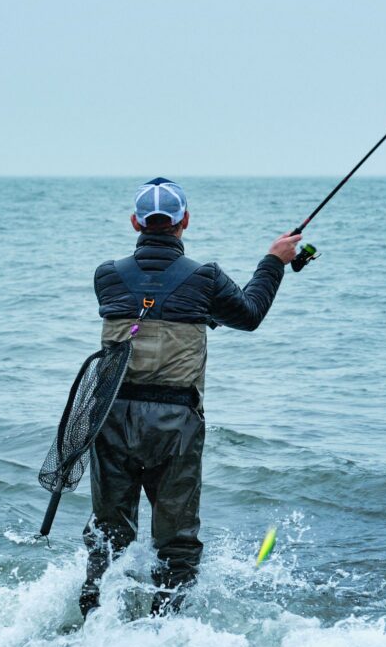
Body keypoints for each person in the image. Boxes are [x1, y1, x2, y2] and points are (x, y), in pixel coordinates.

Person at [80, 177, 300, 617]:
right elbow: (249, 315)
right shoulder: (205, 278)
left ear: (135, 223)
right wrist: (274, 261)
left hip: (111, 417)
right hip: (175, 424)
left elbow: (155, 301)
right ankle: (166, 633)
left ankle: (94, 623)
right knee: (177, 542)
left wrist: (198, 312)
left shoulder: (106, 276)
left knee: (108, 535)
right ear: (185, 221)